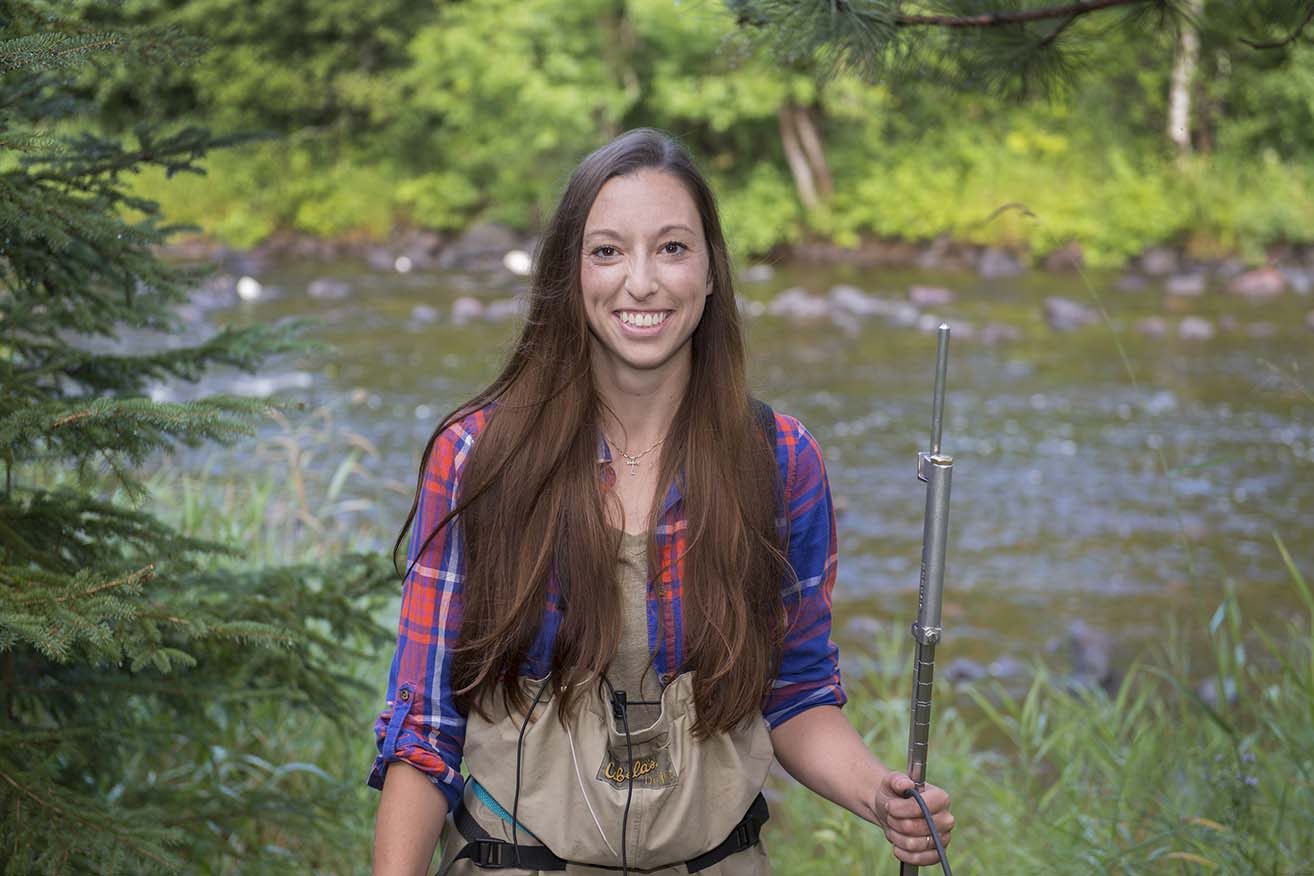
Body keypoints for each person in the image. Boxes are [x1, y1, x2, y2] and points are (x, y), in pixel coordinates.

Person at [369, 129, 953, 876]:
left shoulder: (779, 459)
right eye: (608, 251)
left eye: (672, 248)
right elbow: (425, 727)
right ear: (568, 274)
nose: (640, 283)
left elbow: (796, 689)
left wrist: (880, 794)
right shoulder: (480, 457)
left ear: (711, 272)